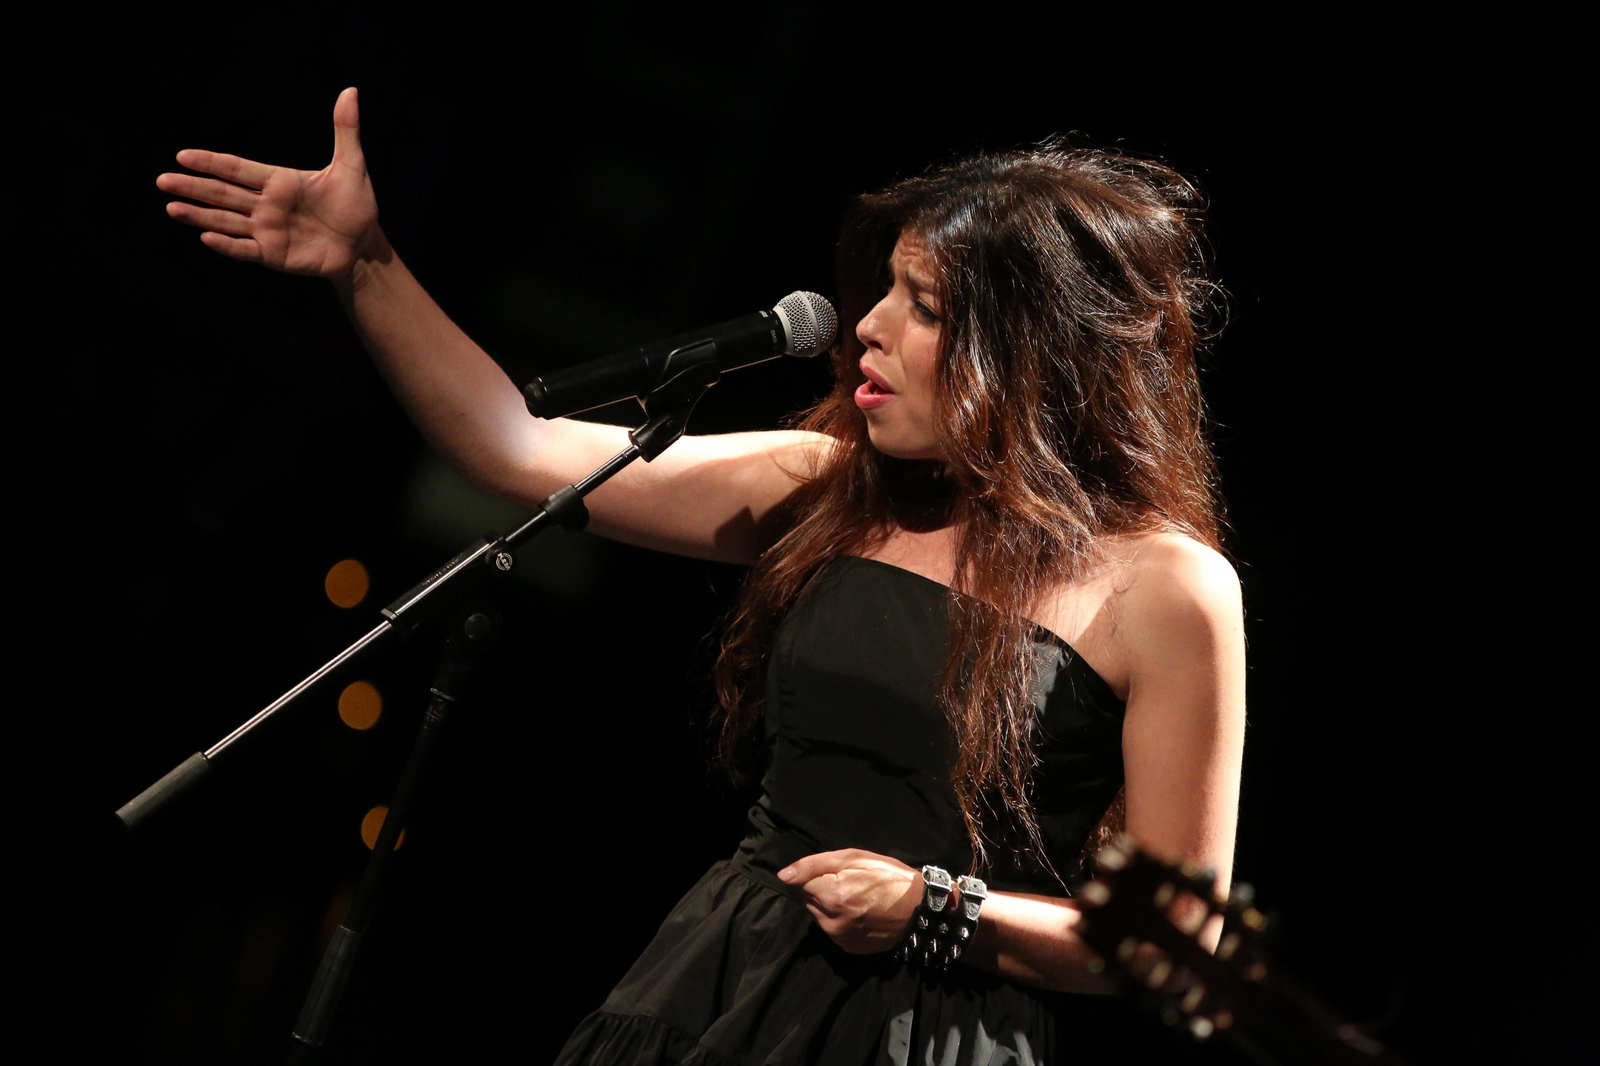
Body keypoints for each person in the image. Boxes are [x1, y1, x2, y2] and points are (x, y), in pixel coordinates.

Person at [158, 88, 1246, 1064]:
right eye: (886, 288)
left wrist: (938, 910)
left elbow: (1171, 942)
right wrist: (364, 263)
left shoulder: (1167, 589)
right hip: (714, 986)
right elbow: (513, 446)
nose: (868, 324)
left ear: (1031, 350)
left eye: (922, 305)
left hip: (929, 1031)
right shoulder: (834, 486)